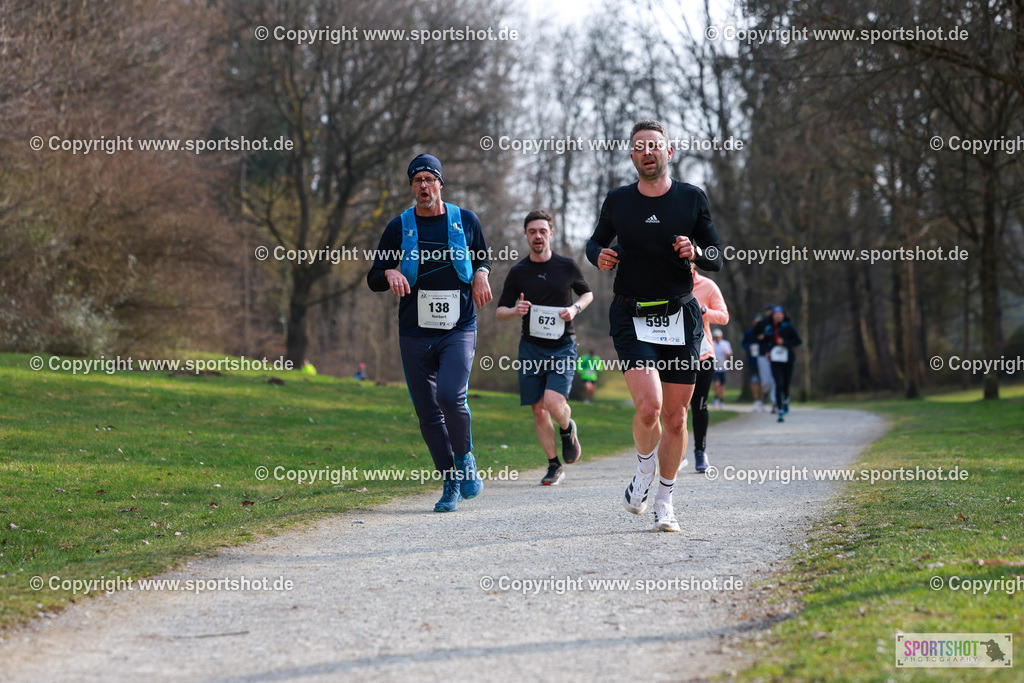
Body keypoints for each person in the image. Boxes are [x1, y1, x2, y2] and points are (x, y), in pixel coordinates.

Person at [586, 119, 723, 532]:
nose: (648, 152)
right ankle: (644, 469)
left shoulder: (692, 198)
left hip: (680, 315)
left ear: (669, 152)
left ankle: (665, 499)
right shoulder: (619, 200)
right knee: (650, 408)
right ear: (632, 156)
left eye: (655, 145)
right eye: (640, 146)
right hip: (632, 314)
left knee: (677, 418)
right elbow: (594, 242)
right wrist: (598, 256)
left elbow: (716, 255)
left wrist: (695, 250)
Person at [366, 154, 493, 512]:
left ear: (440, 184)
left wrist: (481, 274)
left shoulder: (465, 220)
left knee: (451, 397)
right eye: (417, 180)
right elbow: (374, 276)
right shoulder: (398, 226)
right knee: (427, 412)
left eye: (429, 179)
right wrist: (389, 272)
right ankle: (450, 483)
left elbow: (483, 257)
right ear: (412, 187)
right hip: (414, 331)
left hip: (458, 327)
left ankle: (465, 458)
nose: (423, 186)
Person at [496, 210, 593, 486]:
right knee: (538, 409)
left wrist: (574, 309)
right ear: (526, 235)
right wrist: (515, 310)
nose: (537, 236)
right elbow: (500, 312)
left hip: (562, 346)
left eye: (542, 231)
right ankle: (554, 465)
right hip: (531, 348)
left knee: (553, 402)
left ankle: (567, 427)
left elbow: (587, 293)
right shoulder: (518, 272)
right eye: (532, 232)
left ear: (551, 233)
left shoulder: (567, 266)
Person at [689, 265, 729, 473]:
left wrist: (704, 311)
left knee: (700, 405)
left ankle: (700, 451)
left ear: (694, 261)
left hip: (703, 353)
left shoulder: (707, 285)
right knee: (675, 408)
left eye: (688, 259)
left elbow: (724, 317)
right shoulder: (666, 282)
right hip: (674, 354)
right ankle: (675, 453)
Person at [760, 305, 801, 422]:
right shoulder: (769, 329)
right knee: (778, 382)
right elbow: (764, 343)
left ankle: (786, 399)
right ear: (772, 316)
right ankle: (780, 409)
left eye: (780, 314)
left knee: (785, 383)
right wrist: (767, 352)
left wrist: (785, 342)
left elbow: (798, 341)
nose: (778, 316)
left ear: (783, 315)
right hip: (775, 360)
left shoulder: (789, 327)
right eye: (776, 314)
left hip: (788, 359)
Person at [756, 305, 778, 413]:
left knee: (775, 379)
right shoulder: (761, 324)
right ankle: (764, 396)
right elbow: (753, 335)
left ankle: (775, 402)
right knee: (766, 381)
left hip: (776, 355)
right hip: (763, 354)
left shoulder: (779, 324)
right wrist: (759, 337)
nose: (770, 313)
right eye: (768, 311)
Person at [741, 315, 765, 411]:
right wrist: (748, 348)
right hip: (752, 360)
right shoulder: (749, 333)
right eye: (756, 322)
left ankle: (762, 402)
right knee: (754, 380)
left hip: (763, 359)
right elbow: (744, 343)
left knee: (763, 381)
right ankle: (756, 401)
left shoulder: (765, 333)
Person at [711, 329, 733, 409]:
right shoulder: (712, 344)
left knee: (722, 386)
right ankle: (716, 399)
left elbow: (730, 355)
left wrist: (728, 354)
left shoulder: (726, 344)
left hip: (723, 367)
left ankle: (721, 401)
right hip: (714, 368)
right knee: (716, 384)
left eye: (719, 336)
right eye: (716, 337)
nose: (717, 338)